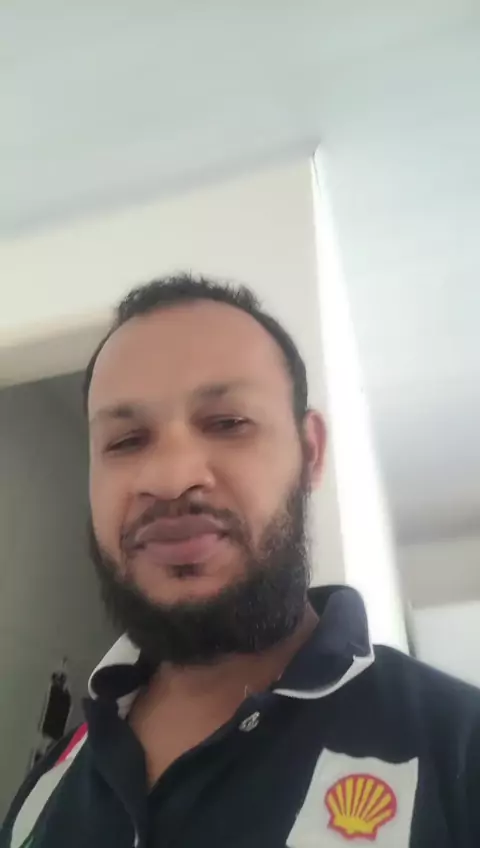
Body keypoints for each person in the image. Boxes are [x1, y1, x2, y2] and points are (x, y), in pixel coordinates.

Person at [2, 274, 480, 848]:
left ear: (309, 453)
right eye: (126, 440)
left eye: (227, 423)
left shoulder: (461, 750)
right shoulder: (45, 787)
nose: (170, 478)